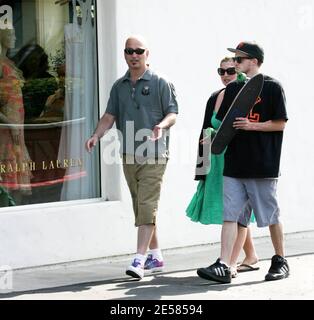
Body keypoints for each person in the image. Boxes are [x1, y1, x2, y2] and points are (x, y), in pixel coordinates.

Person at [85, 35, 178, 279]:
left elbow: (173, 114)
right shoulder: (119, 86)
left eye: (139, 51)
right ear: (125, 54)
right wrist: (96, 136)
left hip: (154, 154)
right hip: (128, 153)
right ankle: (156, 256)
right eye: (129, 51)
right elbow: (109, 116)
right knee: (142, 206)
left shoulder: (160, 82)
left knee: (147, 204)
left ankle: (139, 259)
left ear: (147, 53)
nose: (134, 55)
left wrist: (161, 126)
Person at [197, 41, 289, 284]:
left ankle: (280, 259)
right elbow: (224, 124)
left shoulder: (272, 87)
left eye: (239, 60)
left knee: (270, 215)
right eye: (234, 60)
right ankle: (224, 264)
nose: (235, 64)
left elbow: (280, 123)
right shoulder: (233, 89)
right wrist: (210, 143)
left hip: (262, 164)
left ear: (254, 61)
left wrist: (252, 126)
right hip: (234, 165)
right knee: (231, 216)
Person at [186, 57, 258, 277]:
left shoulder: (246, 94)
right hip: (216, 162)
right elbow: (205, 128)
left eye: (230, 71)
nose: (226, 75)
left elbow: (245, 129)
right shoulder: (215, 96)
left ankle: (231, 263)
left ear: (238, 71)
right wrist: (201, 167)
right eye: (221, 71)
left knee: (237, 213)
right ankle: (252, 256)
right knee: (231, 212)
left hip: (237, 160)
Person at [0, 27, 32, 204]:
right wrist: (9, 124)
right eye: (10, 34)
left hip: (17, 127)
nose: (15, 37)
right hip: (6, 128)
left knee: (17, 176)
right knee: (8, 173)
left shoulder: (8, 62)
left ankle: (16, 213)